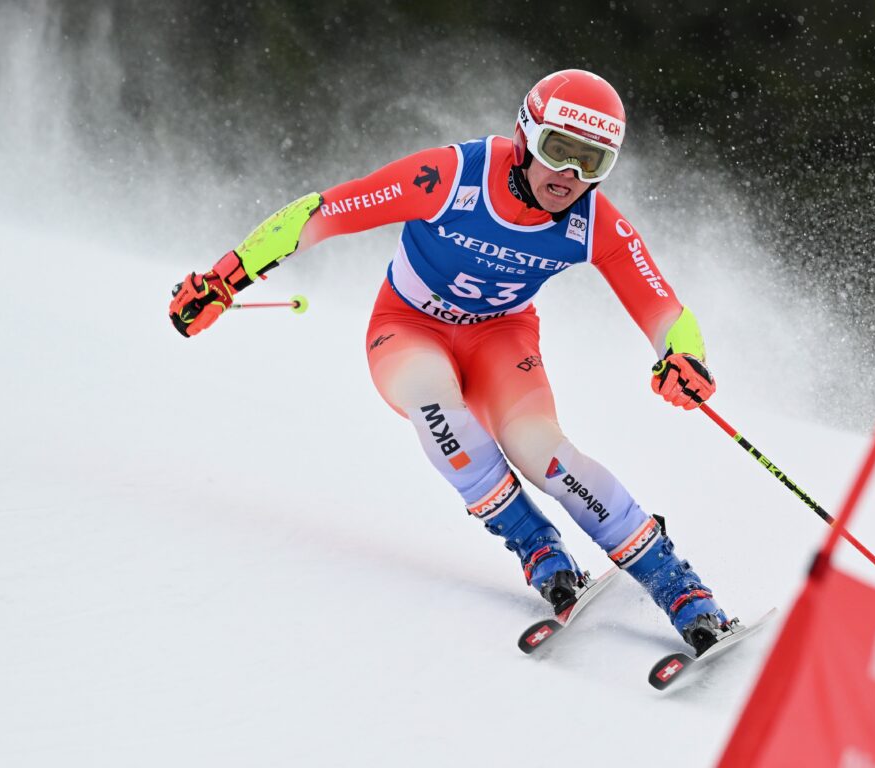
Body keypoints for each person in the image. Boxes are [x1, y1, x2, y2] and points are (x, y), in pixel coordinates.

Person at [169, 69, 731, 653]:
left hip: (501, 340)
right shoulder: (450, 175)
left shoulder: (592, 222)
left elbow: (661, 304)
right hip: (408, 326)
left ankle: (681, 589)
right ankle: (537, 546)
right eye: (558, 150)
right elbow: (322, 211)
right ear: (525, 135)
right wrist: (224, 279)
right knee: (436, 407)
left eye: (592, 162)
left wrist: (684, 356)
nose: (570, 175)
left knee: (543, 453)